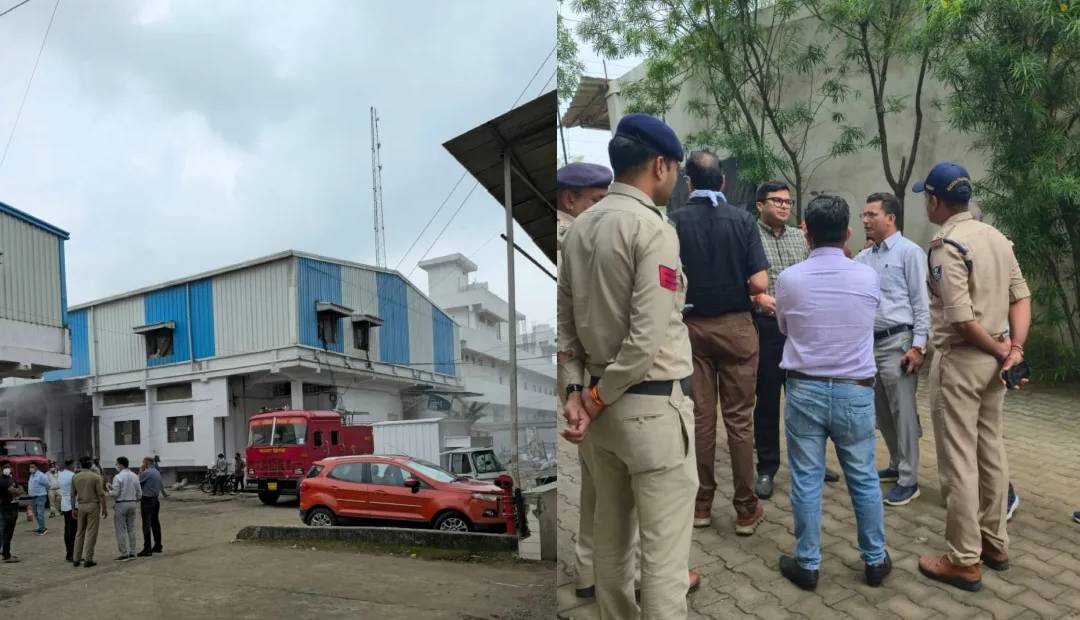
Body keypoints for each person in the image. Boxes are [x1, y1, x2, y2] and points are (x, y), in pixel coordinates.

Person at [559, 112, 698, 619]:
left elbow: (566, 330)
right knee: (664, 559)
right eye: (674, 169)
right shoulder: (652, 229)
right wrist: (594, 399)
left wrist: (576, 394)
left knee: (612, 543)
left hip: (601, 417)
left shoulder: (578, 230)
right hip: (651, 411)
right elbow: (645, 340)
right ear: (661, 165)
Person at [914, 162, 1031, 592]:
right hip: (995, 362)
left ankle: (964, 559)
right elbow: (1021, 296)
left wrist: (1003, 350)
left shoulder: (947, 245)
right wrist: (1013, 350)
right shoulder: (996, 237)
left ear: (935, 200)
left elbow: (961, 320)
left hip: (963, 361)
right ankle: (995, 544)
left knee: (959, 460)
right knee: (991, 450)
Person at [773, 194, 890, 590]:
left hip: (804, 389)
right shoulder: (867, 276)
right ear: (848, 232)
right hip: (855, 391)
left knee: (806, 479)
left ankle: (807, 564)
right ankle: (875, 560)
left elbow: (784, 328)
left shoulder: (788, 279)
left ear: (806, 232)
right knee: (864, 477)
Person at [669, 150, 769, 534]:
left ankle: (701, 507)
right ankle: (745, 510)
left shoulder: (673, 222)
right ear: (723, 182)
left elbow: (667, 280)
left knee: (701, 419)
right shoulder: (743, 220)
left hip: (692, 330)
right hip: (737, 328)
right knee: (740, 420)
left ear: (688, 183)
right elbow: (759, 283)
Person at [752, 182, 839, 499]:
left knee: (807, 398)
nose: (783, 206)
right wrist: (757, 298)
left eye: (787, 202)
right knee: (767, 400)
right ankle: (767, 468)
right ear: (759, 205)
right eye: (776, 200)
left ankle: (813, 462)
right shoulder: (749, 235)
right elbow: (740, 278)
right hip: (766, 328)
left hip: (802, 329)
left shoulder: (800, 238)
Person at [557, 160, 616, 599]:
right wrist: (584, 395)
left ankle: (588, 573)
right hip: (597, 380)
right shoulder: (576, 238)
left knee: (595, 484)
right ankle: (636, 577)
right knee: (620, 488)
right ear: (570, 199)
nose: (602, 208)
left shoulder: (572, 234)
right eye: (596, 200)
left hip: (578, 381)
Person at [855, 192, 931, 506]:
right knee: (882, 412)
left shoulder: (909, 252)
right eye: (864, 215)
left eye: (871, 214)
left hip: (898, 343)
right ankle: (897, 463)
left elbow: (922, 303)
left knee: (904, 414)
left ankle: (909, 480)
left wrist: (919, 346)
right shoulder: (863, 258)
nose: (865, 220)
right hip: (869, 346)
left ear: (891, 217)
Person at [72, 455, 108, 568]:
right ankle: (88, 559)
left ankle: (76, 558)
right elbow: (101, 494)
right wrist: (104, 508)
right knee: (91, 533)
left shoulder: (75, 477)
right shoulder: (95, 477)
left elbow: (72, 495)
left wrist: (73, 508)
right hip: (93, 505)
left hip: (81, 506)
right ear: (90, 464)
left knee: (79, 532)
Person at [110, 456, 142, 561]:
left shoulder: (118, 477)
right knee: (131, 528)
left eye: (117, 464)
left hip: (121, 504)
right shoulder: (135, 476)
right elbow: (139, 493)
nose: (116, 466)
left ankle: (124, 553)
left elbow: (115, 494)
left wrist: (109, 490)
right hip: (132, 503)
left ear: (120, 464)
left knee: (120, 529)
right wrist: (134, 500)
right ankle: (133, 552)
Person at [137, 457, 164, 556]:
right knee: (155, 523)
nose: (142, 464)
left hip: (147, 500)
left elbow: (137, 481)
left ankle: (147, 548)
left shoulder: (147, 472)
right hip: (155, 500)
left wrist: (141, 470)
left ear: (147, 462)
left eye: (143, 462)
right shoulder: (157, 472)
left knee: (146, 524)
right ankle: (158, 545)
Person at [0, 460, 23, 562]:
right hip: (7, 508)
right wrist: (17, 490)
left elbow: (21, 489)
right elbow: (14, 491)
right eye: (5, 467)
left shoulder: (11, 478)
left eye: (9, 466)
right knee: (7, 532)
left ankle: (6, 553)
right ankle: (6, 555)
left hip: (13, 507)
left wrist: (17, 490)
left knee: (9, 532)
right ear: (1, 469)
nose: (7, 468)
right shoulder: (3, 480)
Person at [58, 460, 77, 562]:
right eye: (74, 464)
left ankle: (69, 552)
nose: (75, 466)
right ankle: (72, 554)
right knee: (73, 530)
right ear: (71, 465)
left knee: (67, 529)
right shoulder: (72, 475)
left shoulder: (60, 474)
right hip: (71, 504)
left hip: (64, 504)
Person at [27, 462, 49, 535]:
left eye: (32, 467)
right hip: (33, 497)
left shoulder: (41, 475)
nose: (31, 468)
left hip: (40, 496)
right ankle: (40, 527)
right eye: (30, 467)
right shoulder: (31, 475)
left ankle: (43, 529)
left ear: (37, 467)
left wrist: (43, 492)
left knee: (40, 513)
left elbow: (47, 484)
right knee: (36, 513)